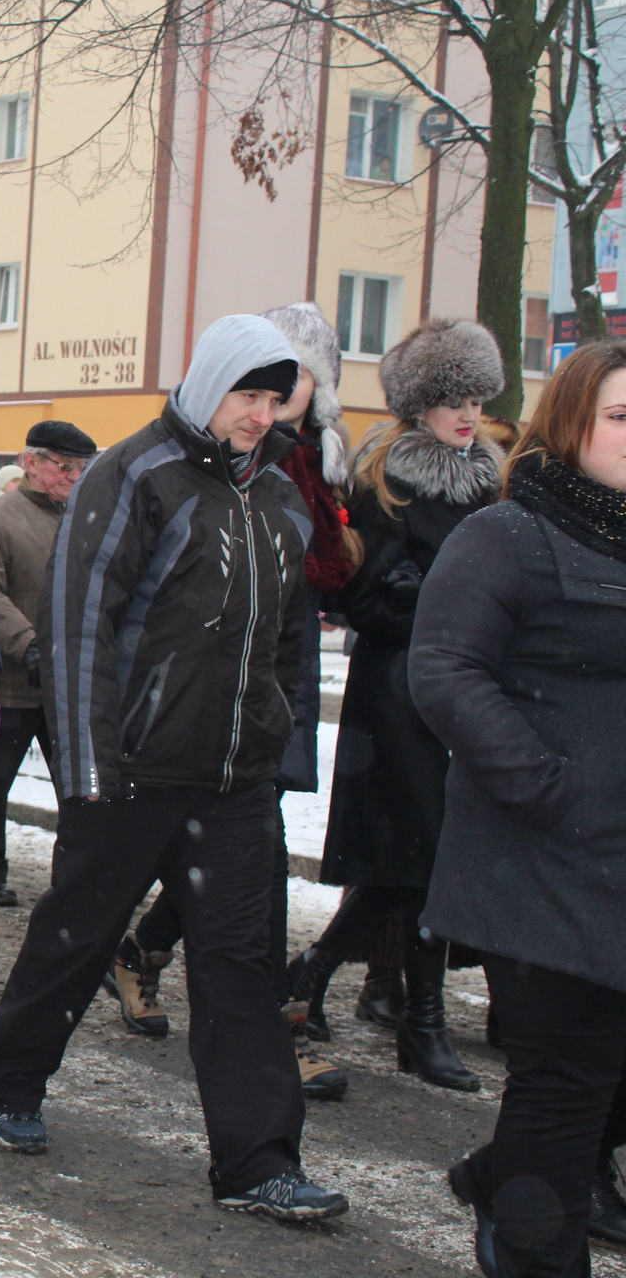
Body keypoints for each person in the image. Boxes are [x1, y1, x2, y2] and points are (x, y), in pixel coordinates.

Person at [0, 314, 348, 1222]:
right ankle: (13, 1079)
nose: (259, 415)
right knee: (80, 931)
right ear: (207, 382)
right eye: (244, 395)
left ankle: (258, 1162)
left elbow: (286, 640)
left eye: (271, 397)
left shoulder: (282, 501)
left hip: (233, 779)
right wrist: (89, 765)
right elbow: (76, 621)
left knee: (240, 966)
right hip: (132, 764)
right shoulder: (132, 475)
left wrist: (274, 733)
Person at [407, 342, 626, 1278]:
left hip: (617, 855)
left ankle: (506, 1175)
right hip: (541, 855)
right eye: (620, 417)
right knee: (566, 1079)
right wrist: (546, 782)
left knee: (595, 1078)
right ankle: (534, 1240)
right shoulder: (506, 535)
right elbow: (446, 670)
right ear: (571, 420)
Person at [104, 301, 359, 1103]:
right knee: (96, 914)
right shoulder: (156, 471)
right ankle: (30, 1052)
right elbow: (98, 615)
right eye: (260, 391)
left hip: (254, 720)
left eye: (290, 390)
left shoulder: (302, 473)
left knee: (243, 907)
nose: (275, 407)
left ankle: (261, 1113)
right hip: (165, 729)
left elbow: (313, 593)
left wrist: (278, 711)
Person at [287, 317, 505, 1095]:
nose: (468, 413)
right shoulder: (385, 476)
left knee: (422, 867)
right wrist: (437, 606)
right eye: (452, 398)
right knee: (413, 864)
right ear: (419, 403)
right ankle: (420, 1021)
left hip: (473, 693)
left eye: (477, 397)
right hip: (401, 691)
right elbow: (364, 598)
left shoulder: (493, 479)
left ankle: (314, 979)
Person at [0, 420, 95, 907]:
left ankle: (76, 878)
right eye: (64, 467)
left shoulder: (87, 517)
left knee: (79, 791)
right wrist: (29, 644)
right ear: (32, 462)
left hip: (70, 684)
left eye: (81, 468)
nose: (73, 477)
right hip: (16, 679)